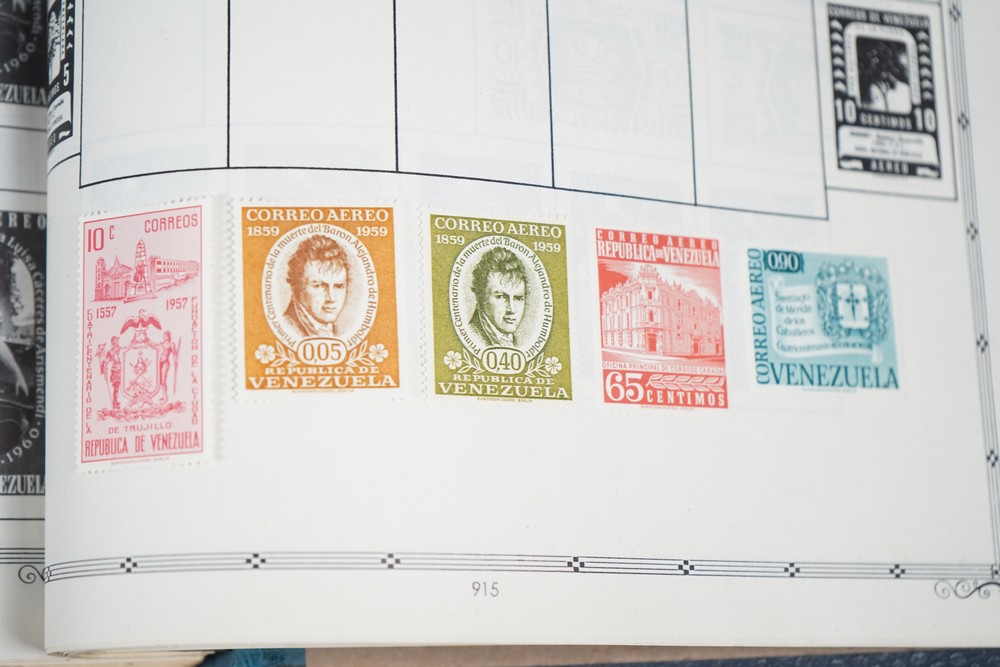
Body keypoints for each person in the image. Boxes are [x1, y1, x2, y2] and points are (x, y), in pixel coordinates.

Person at [282, 235, 349, 338]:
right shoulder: (286, 327)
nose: (331, 298)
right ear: (297, 287)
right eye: (318, 286)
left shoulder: (338, 332)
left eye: (339, 286)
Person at [467, 247, 528, 348]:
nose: (512, 309)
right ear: (480, 296)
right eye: (500, 297)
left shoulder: (513, 342)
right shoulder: (471, 336)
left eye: (518, 298)